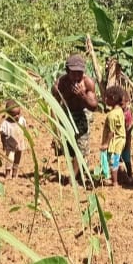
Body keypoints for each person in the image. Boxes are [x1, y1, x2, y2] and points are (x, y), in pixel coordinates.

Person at [51, 54, 99, 184]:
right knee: (70, 148)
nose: (77, 77)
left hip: (82, 114)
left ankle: (73, 178)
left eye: (79, 73)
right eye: (73, 73)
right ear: (67, 71)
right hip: (67, 114)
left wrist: (82, 96)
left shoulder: (87, 83)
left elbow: (94, 106)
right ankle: (79, 170)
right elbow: (54, 103)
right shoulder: (61, 84)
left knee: (80, 147)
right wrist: (55, 126)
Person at [100, 85, 127, 187]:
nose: (105, 99)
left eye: (107, 97)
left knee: (114, 161)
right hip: (121, 139)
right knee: (117, 159)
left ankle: (115, 182)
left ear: (113, 99)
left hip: (116, 141)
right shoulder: (120, 110)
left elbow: (111, 131)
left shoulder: (111, 115)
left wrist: (106, 144)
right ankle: (123, 178)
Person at [0, 99, 27, 179]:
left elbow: (24, 129)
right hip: (10, 145)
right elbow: (3, 135)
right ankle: (7, 173)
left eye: (18, 113)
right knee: (10, 158)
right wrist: (4, 144)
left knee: (18, 158)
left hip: (20, 144)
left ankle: (15, 173)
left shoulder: (21, 120)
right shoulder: (6, 124)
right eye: (14, 115)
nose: (17, 116)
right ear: (8, 114)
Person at [120, 87, 133, 181]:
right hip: (118, 138)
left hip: (125, 138)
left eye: (122, 104)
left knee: (126, 157)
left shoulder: (127, 114)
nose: (120, 106)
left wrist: (127, 143)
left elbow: (129, 129)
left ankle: (129, 175)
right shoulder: (118, 112)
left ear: (127, 102)